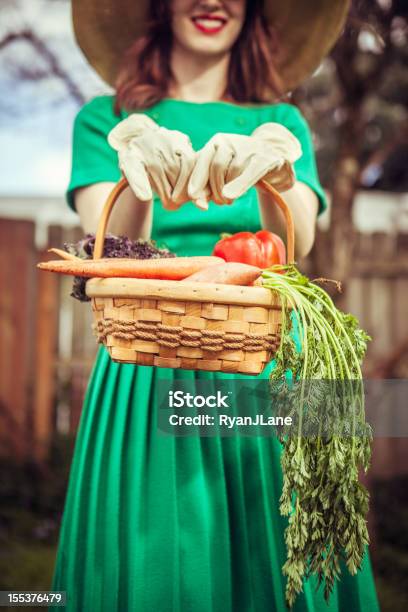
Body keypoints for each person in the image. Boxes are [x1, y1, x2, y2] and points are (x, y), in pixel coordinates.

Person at [50, 1, 380, 610]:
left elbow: (298, 238)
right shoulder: (106, 118)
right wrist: (137, 162)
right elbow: (111, 244)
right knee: (163, 556)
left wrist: (275, 170)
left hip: (269, 354)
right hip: (147, 361)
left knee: (283, 547)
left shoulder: (283, 121)